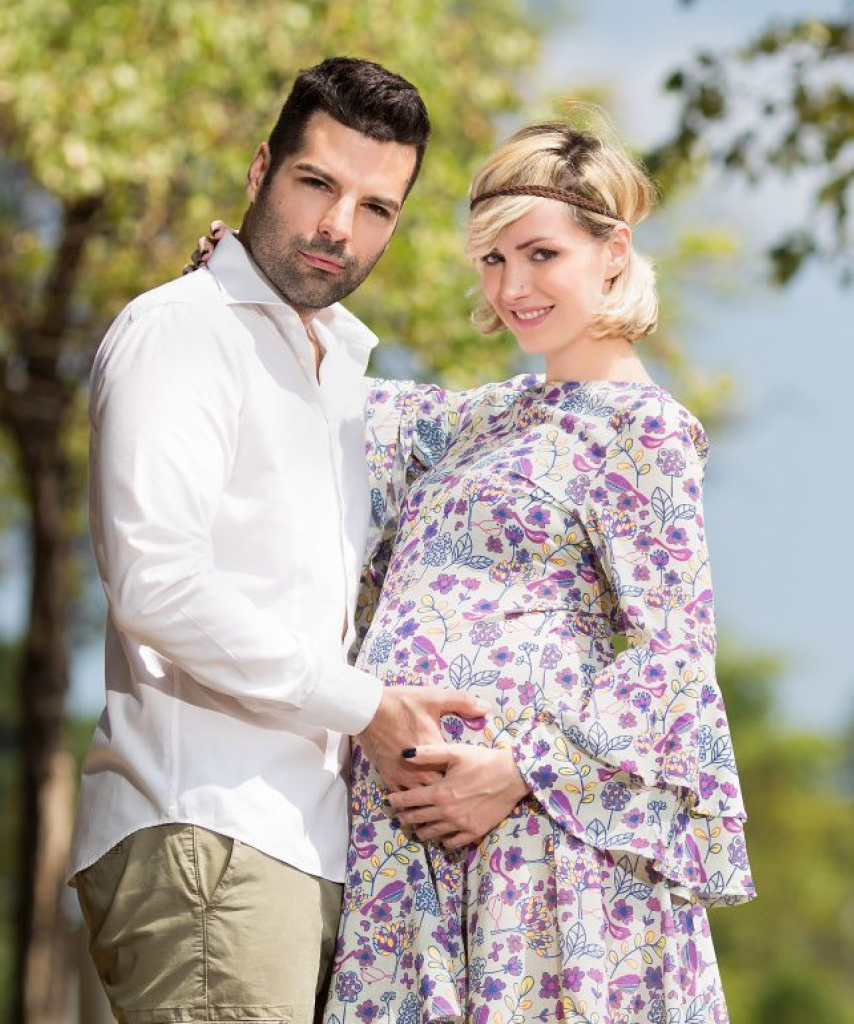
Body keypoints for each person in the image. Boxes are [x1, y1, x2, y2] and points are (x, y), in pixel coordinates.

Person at [69, 57, 487, 1024]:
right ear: (261, 170)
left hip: (307, 850)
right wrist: (367, 707)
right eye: (317, 184)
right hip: (209, 832)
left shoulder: (338, 369)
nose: (340, 226)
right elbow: (157, 582)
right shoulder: (183, 331)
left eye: (376, 208)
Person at [322, 120, 756, 1024]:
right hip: (409, 857)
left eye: (541, 254)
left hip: (543, 852)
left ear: (613, 252)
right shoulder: (473, 420)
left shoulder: (644, 430)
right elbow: (316, 394)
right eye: (492, 259)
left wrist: (521, 772)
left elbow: (674, 661)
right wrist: (239, 281)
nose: (512, 287)